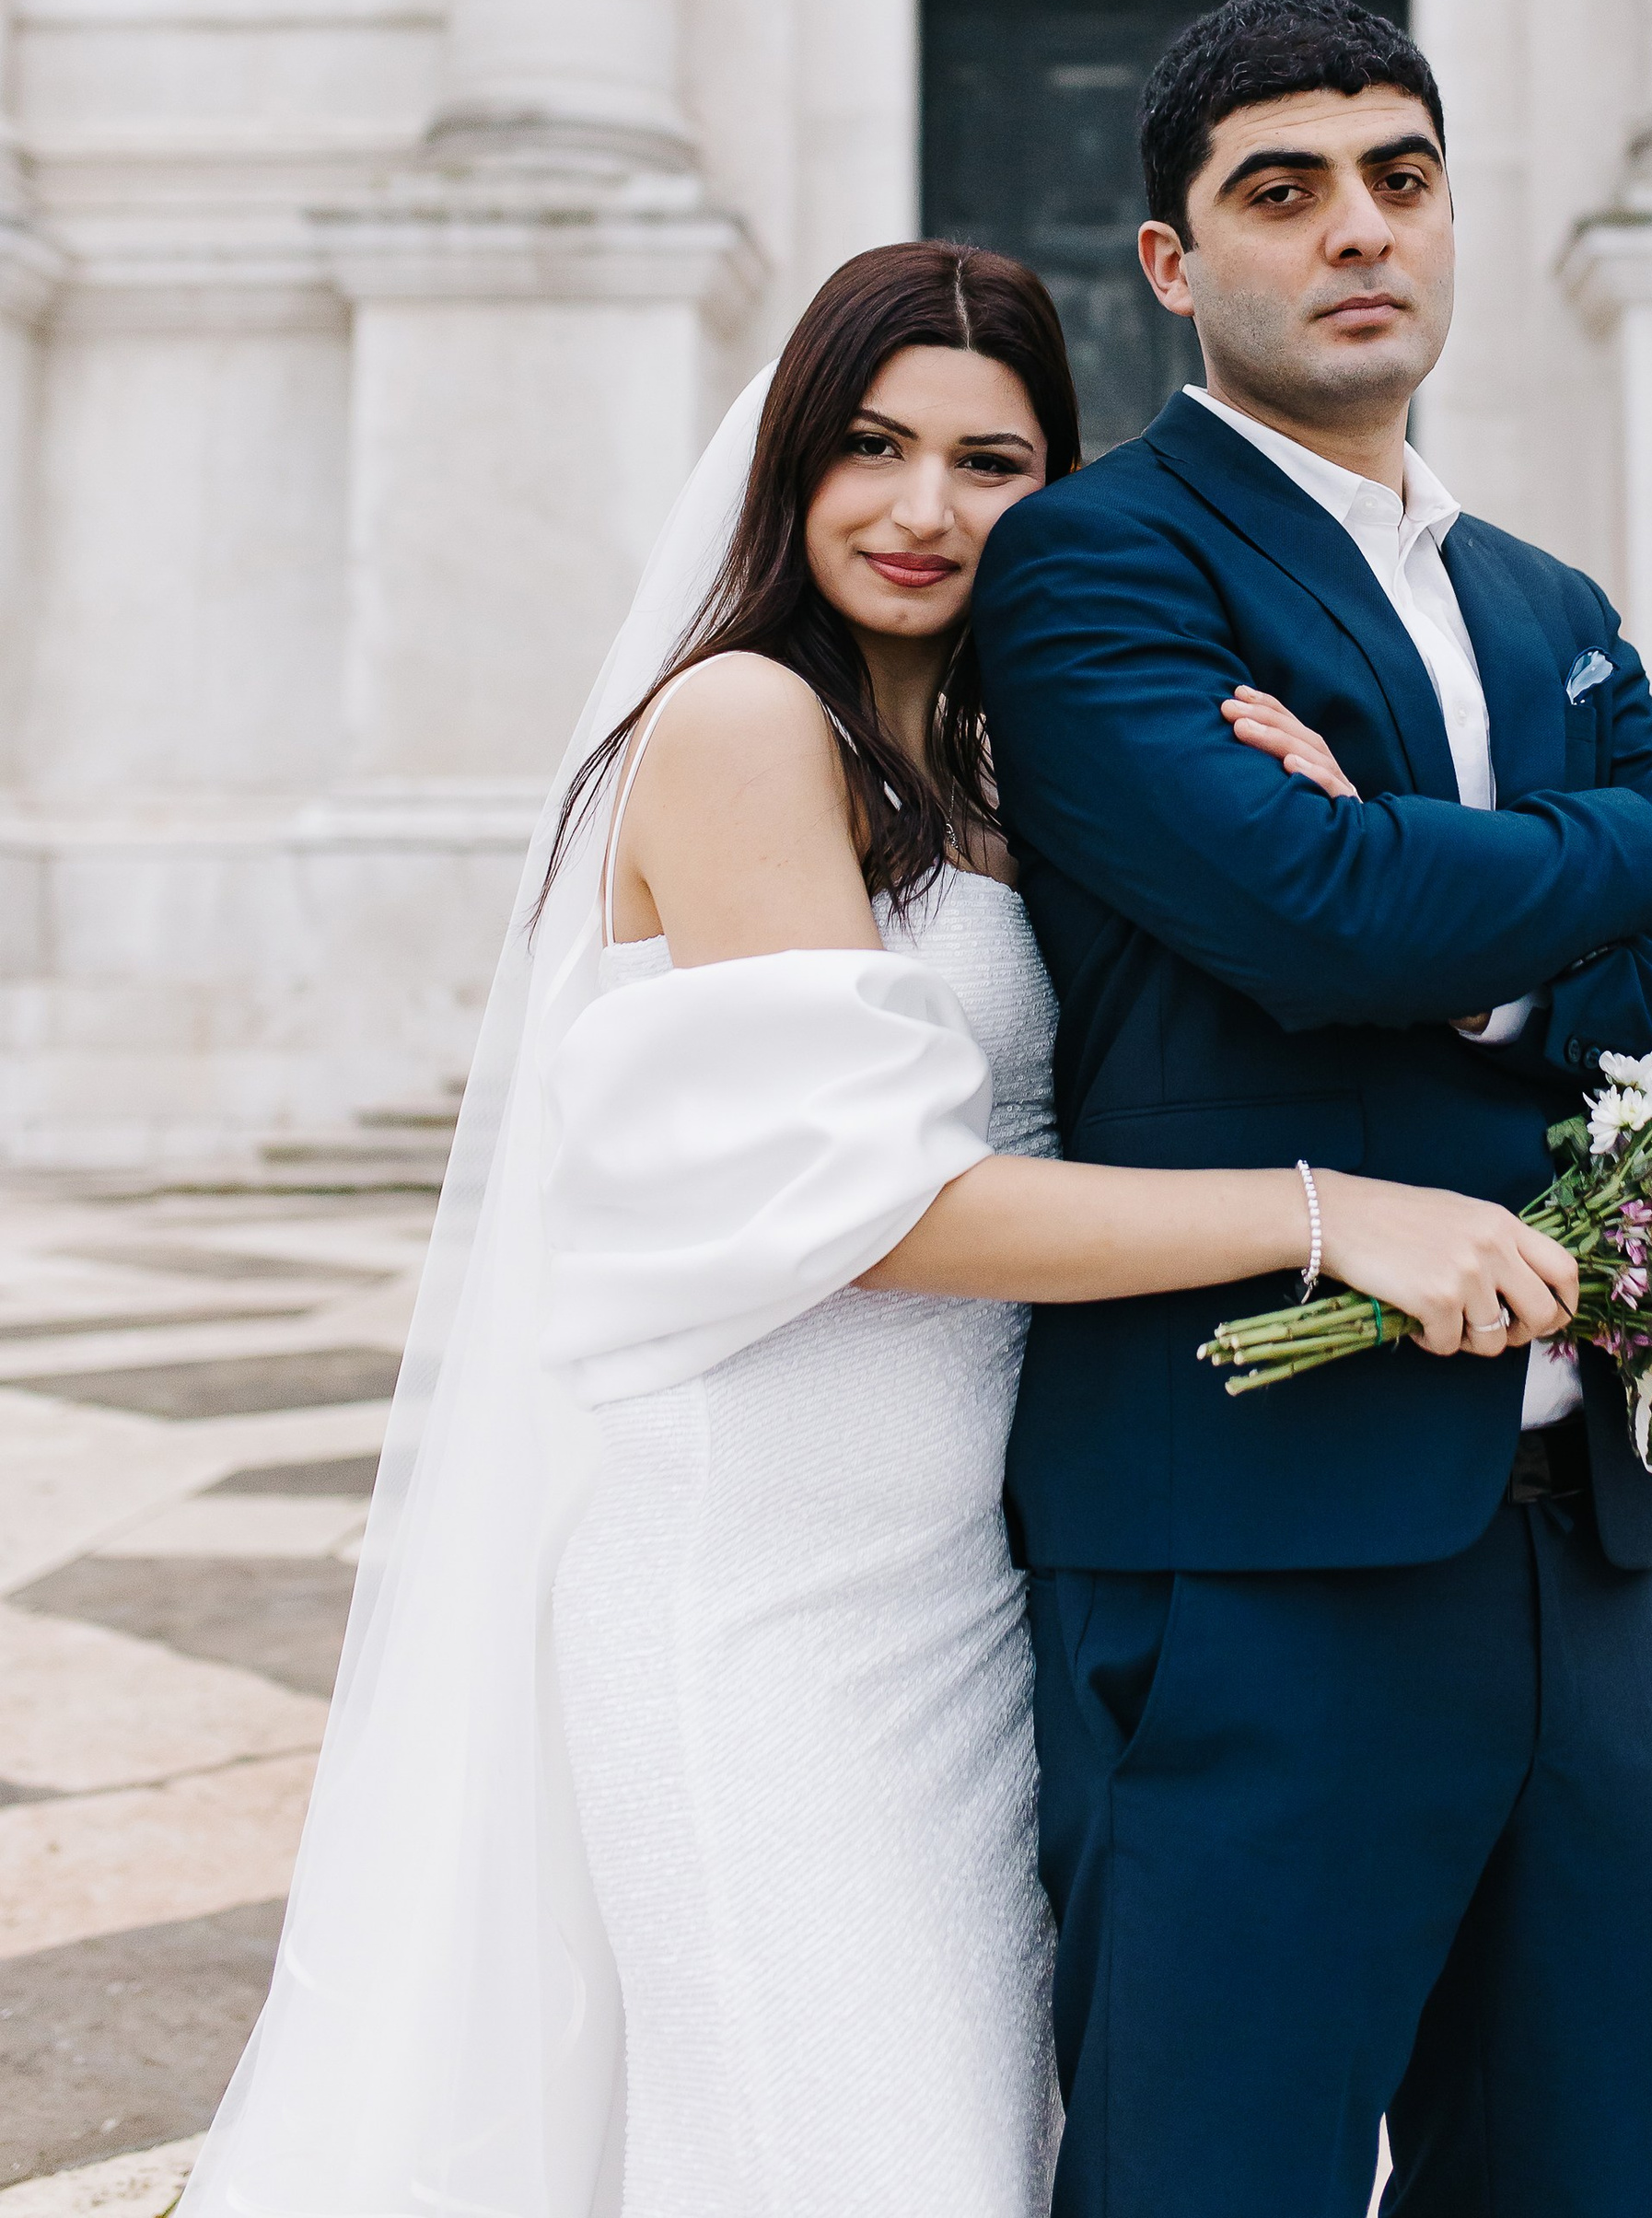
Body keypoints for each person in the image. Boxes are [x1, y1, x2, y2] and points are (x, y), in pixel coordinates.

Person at [181, 237, 1577, 2218]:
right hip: (763, 1600)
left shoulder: (1012, 766)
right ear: (783, 466)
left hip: (972, 1591)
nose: (924, 511)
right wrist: (1325, 1213)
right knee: (856, 2154)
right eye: (868, 446)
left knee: (973, 2156)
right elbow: (874, 1212)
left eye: (991, 462)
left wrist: (1313, 804)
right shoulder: (749, 724)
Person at [971, 0, 1652, 2218]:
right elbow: (1314, 916)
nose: (1357, 231)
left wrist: (1460, 945)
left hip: (1578, 1555)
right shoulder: (1092, 563)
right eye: (1282, 190)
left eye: (1398, 178)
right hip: (1248, 1544)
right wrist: (1609, 839)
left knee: (1566, 2179)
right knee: (1211, 2180)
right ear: (1167, 260)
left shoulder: (1548, 599)